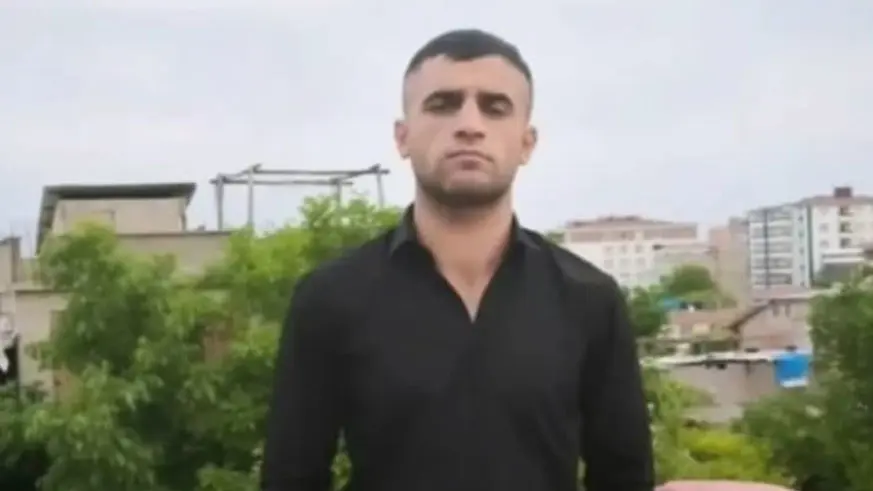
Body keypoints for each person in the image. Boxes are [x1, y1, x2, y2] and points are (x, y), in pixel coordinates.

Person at [261, 28, 654, 491]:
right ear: (403, 137)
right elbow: (292, 479)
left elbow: (624, 478)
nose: (469, 124)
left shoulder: (590, 299)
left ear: (527, 143)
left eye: (495, 107)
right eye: (442, 104)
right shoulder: (331, 298)